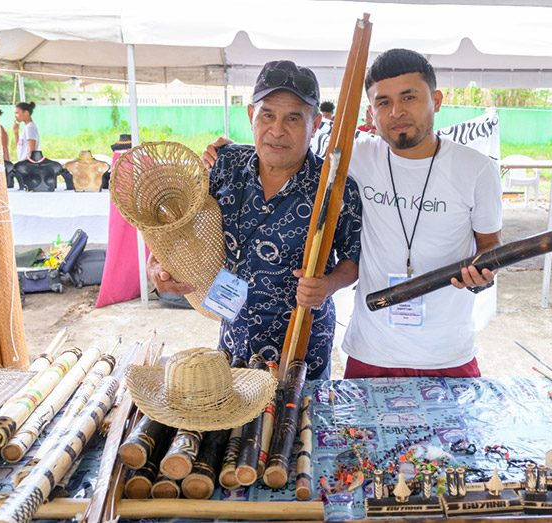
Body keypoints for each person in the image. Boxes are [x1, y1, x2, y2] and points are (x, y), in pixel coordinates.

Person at [203, 50, 501, 380]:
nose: (397, 111)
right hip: (367, 348)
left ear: (437, 99)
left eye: (409, 97)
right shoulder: (352, 159)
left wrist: (482, 275)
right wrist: (226, 152)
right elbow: (274, 152)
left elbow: (490, 248)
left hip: (445, 351)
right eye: (383, 102)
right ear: (371, 113)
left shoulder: (475, 170)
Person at [154, 60, 362, 380]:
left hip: (302, 346)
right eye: (268, 115)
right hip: (233, 339)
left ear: (317, 123)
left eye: (293, 118)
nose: (277, 130)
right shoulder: (225, 164)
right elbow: (181, 225)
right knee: (235, 426)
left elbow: (352, 258)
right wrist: (158, 264)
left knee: (296, 427)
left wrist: (328, 285)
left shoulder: (335, 186)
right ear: (251, 115)